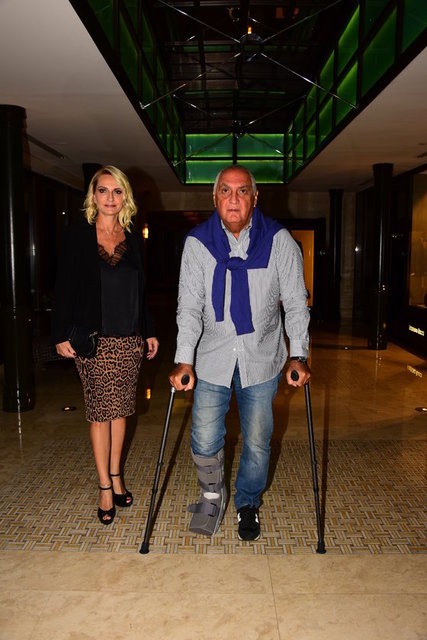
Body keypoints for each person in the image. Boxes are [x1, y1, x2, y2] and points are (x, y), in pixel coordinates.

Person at [169, 164, 310, 541]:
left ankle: (248, 502)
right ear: (214, 198)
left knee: (258, 439)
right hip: (211, 358)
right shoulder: (197, 244)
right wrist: (184, 359)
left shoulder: (279, 241)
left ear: (255, 198)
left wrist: (298, 355)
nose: (234, 199)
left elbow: (296, 302)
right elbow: (189, 307)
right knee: (204, 437)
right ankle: (212, 495)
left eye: (242, 191)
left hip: (261, 357)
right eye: (226, 191)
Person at [52, 165, 159, 525]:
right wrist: (60, 333)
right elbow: (64, 287)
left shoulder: (132, 238)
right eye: (103, 190)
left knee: (121, 411)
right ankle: (104, 486)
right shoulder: (77, 236)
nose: (110, 198)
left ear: (125, 197)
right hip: (94, 342)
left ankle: (116, 476)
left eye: (117, 191)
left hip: (128, 341)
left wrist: (148, 331)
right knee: (100, 412)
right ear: (93, 196)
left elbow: (140, 291)